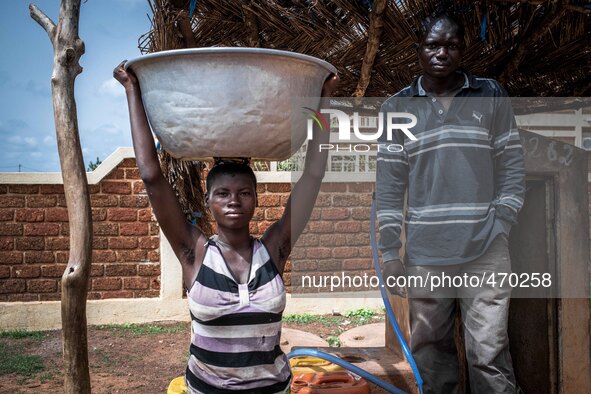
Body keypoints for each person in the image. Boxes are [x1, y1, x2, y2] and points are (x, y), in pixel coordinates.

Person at [114, 61, 338, 393]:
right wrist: (132, 91)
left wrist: (324, 101)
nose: (234, 200)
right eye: (223, 193)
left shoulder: (274, 250)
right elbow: (151, 176)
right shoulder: (195, 253)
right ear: (208, 201)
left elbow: (313, 175)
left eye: (244, 193)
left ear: (256, 200)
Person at [376, 13, 525, 394]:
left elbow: (512, 165)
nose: (442, 52)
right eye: (433, 45)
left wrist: (502, 221)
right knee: (431, 354)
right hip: (426, 251)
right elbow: (390, 186)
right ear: (418, 51)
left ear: (463, 49)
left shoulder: (491, 95)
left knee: (489, 354)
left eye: (451, 45)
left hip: (486, 248)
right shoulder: (396, 108)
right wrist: (390, 251)